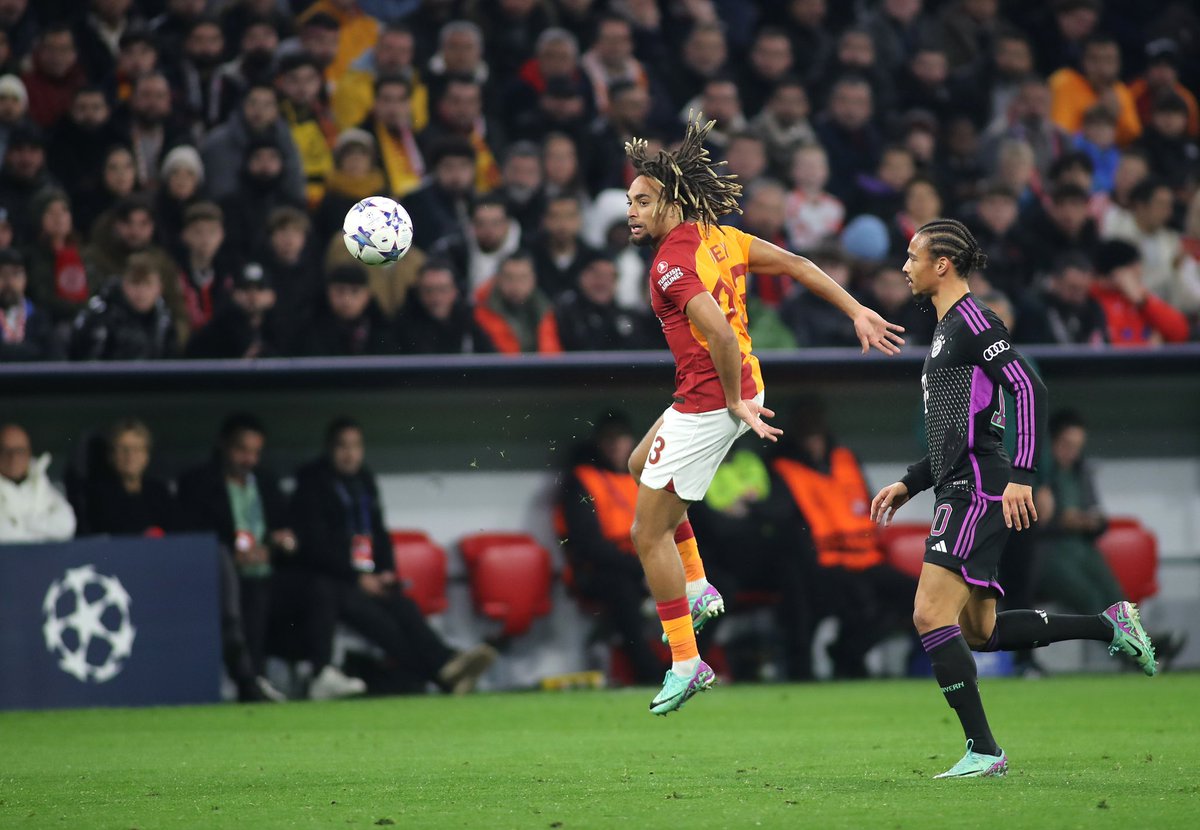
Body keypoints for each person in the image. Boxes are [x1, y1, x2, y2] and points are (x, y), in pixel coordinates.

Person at [622, 115, 904, 715]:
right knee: (638, 461)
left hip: (712, 396)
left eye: (643, 200)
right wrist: (858, 310)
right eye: (629, 200)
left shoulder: (671, 264)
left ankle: (685, 660)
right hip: (721, 386)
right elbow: (801, 265)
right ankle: (696, 585)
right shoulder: (722, 237)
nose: (632, 209)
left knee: (646, 534)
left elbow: (720, 335)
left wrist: (730, 400)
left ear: (672, 201)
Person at [869, 218, 1156, 779]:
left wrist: (1023, 475)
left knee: (930, 614)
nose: (904, 267)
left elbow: (1028, 386)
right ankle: (1110, 624)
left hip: (978, 486)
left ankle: (984, 751)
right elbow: (960, 429)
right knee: (981, 632)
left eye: (912, 256)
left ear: (941, 265)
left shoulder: (974, 320)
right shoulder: (949, 327)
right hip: (963, 478)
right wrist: (911, 481)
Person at [289, 417, 497, 695]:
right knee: (384, 626)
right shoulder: (312, 482)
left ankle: (447, 664)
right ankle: (444, 669)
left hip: (366, 576)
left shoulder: (364, 480)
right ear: (329, 448)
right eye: (342, 446)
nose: (350, 454)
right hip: (333, 582)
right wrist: (356, 577)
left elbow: (379, 533)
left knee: (404, 607)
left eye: (355, 446)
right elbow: (314, 545)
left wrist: (385, 571)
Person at [177, 413, 291, 702]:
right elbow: (193, 533)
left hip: (271, 572)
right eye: (242, 450)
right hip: (222, 573)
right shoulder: (199, 483)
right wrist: (232, 554)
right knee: (246, 590)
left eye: (255, 452)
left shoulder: (266, 481)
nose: (249, 459)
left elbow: (286, 527)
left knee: (316, 589)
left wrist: (277, 544)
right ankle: (250, 679)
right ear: (223, 446)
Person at [82, 418, 177, 537]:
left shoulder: (159, 493)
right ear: (111, 455)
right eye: (123, 449)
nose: (130, 456)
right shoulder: (95, 496)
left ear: (146, 456)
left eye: (137, 449)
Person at [0, 422, 76, 542]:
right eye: (5, 450)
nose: (13, 458)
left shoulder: (41, 482)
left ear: (29, 453)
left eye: (19, 451)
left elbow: (66, 525)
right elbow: (3, 534)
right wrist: (40, 528)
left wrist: (23, 522)